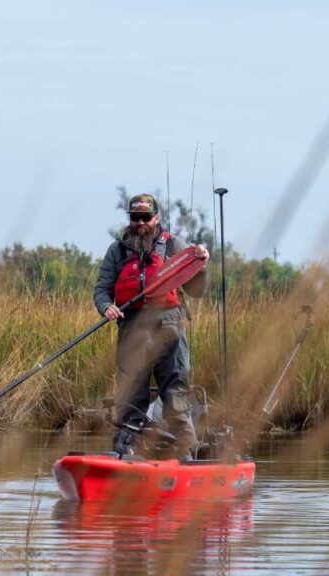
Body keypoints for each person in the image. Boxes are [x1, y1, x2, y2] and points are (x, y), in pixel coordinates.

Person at [94, 193, 209, 457]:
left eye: (146, 217)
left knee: (176, 395)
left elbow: (197, 290)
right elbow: (102, 289)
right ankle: (125, 457)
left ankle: (186, 456)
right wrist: (106, 307)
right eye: (135, 218)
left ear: (156, 218)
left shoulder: (173, 245)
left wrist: (200, 264)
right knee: (130, 399)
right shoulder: (117, 251)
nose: (140, 223)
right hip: (132, 328)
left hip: (169, 326)